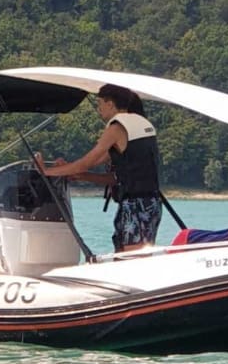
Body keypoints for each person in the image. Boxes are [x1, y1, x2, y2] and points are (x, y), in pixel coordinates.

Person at [35, 83, 162, 252]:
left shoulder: (117, 127)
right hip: (151, 204)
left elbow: (89, 160)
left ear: (110, 103)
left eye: (100, 104)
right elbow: (116, 173)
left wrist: (47, 171)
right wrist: (79, 174)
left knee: (131, 258)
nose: (99, 109)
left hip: (134, 206)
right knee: (134, 254)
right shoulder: (142, 125)